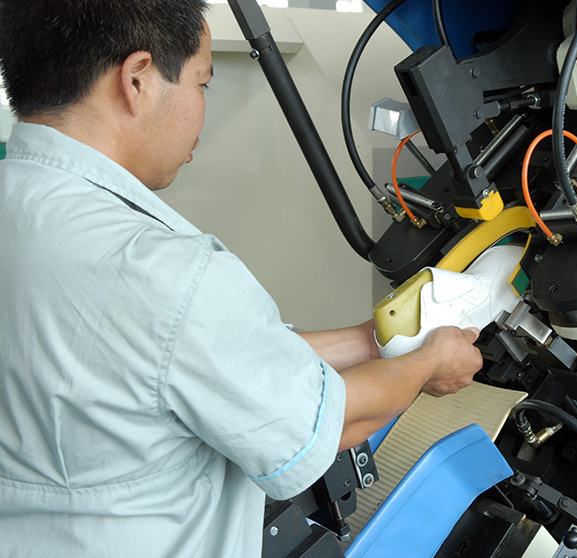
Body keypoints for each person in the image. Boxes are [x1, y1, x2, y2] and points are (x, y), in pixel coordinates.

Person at [0, 1, 483, 557]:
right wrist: (427, 365)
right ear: (137, 80)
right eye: (202, 83)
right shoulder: (166, 272)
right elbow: (320, 426)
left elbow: (207, 358)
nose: (202, 108)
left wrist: (372, 340)